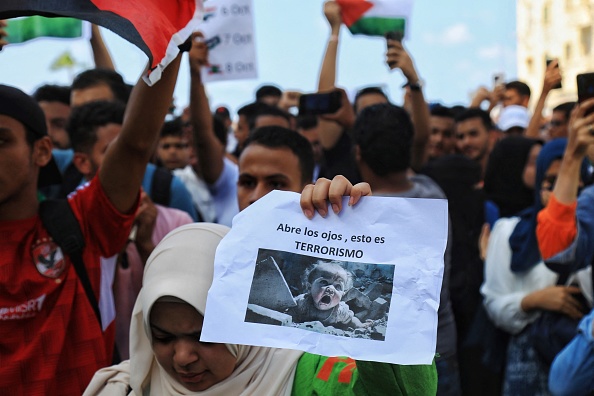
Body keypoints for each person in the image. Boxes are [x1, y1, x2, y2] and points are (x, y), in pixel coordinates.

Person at [0, 48, 183, 394]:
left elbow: (134, 142)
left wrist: (169, 45)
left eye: (1, 140)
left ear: (41, 151)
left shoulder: (84, 222)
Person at [84, 218, 437, 395]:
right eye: (162, 337)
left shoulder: (305, 376)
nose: (182, 358)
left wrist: (365, 233)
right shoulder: (125, 388)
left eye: (206, 335)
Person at [352, 102, 459, 395]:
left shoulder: (357, 217)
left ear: (358, 152)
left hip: (388, 362)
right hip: (439, 346)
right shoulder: (431, 193)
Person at [480, 137, 591, 396]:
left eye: (574, 180)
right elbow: (494, 304)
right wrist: (535, 300)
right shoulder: (509, 231)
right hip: (528, 364)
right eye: (550, 182)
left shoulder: (589, 232)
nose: (560, 191)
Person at [289, 260, 367, 328]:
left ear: (343, 294)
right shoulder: (302, 302)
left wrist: (359, 325)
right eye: (324, 282)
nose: (331, 289)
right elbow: (290, 311)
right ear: (309, 288)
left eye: (338, 286)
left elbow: (351, 319)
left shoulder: (339, 311)